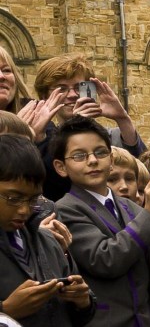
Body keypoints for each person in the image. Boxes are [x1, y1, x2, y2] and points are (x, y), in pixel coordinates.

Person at [53, 118, 150, 327]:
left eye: (100, 152)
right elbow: (105, 260)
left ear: (111, 160)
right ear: (61, 167)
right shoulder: (66, 209)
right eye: (79, 156)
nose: (92, 160)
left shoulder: (130, 207)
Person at [0, 134, 96, 327]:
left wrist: (83, 301)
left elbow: (81, 316)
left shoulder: (48, 242)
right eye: (13, 198)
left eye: (33, 200)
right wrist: (6, 312)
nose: (24, 210)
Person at [32, 54, 145, 201]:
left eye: (79, 87)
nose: (72, 95)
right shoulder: (42, 136)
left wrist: (123, 119)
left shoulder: (107, 135)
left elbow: (140, 168)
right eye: (62, 88)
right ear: (45, 96)